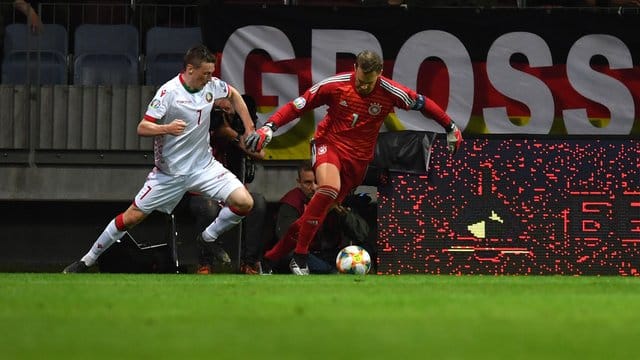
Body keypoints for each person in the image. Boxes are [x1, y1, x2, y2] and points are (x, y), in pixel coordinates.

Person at [247, 50, 463, 275]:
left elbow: (423, 103)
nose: (363, 87)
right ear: (354, 68)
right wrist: (269, 127)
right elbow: (297, 106)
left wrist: (451, 127)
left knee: (317, 212)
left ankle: (270, 259)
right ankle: (300, 258)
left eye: (368, 83)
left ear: (379, 74)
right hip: (328, 144)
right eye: (360, 81)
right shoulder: (335, 85)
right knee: (329, 189)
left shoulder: (391, 91)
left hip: (358, 162)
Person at [63, 44, 257, 273]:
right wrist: (166, 128)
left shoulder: (212, 87)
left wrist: (250, 128)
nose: (210, 77)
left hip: (204, 167)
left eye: (211, 72)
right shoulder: (169, 92)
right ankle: (87, 260)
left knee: (245, 202)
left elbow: (233, 94)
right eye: (206, 73)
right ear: (190, 69)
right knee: (132, 217)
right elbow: (142, 127)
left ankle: (208, 237)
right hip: (170, 174)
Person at [189, 94, 268, 275]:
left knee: (258, 203)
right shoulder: (200, 123)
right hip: (200, 191)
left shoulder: (237, 127)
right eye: (219, 111)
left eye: (227, 111)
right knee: (208, 207)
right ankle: (205, 264)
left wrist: (231, 134)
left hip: (231, 190)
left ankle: (249, 263)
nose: (223, 115)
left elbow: (261, 153)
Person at [266, 161, 369, 274]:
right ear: (299, 183)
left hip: (330, 254)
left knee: (362, 250)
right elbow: (286, 240)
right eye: (308, 183)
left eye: (317, 182)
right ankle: (331, 272)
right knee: (289, 254)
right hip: (303, 256)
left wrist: (343, 214)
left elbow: (361, 235)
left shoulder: (335, 197)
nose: (314, 187)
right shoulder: (292, 202)